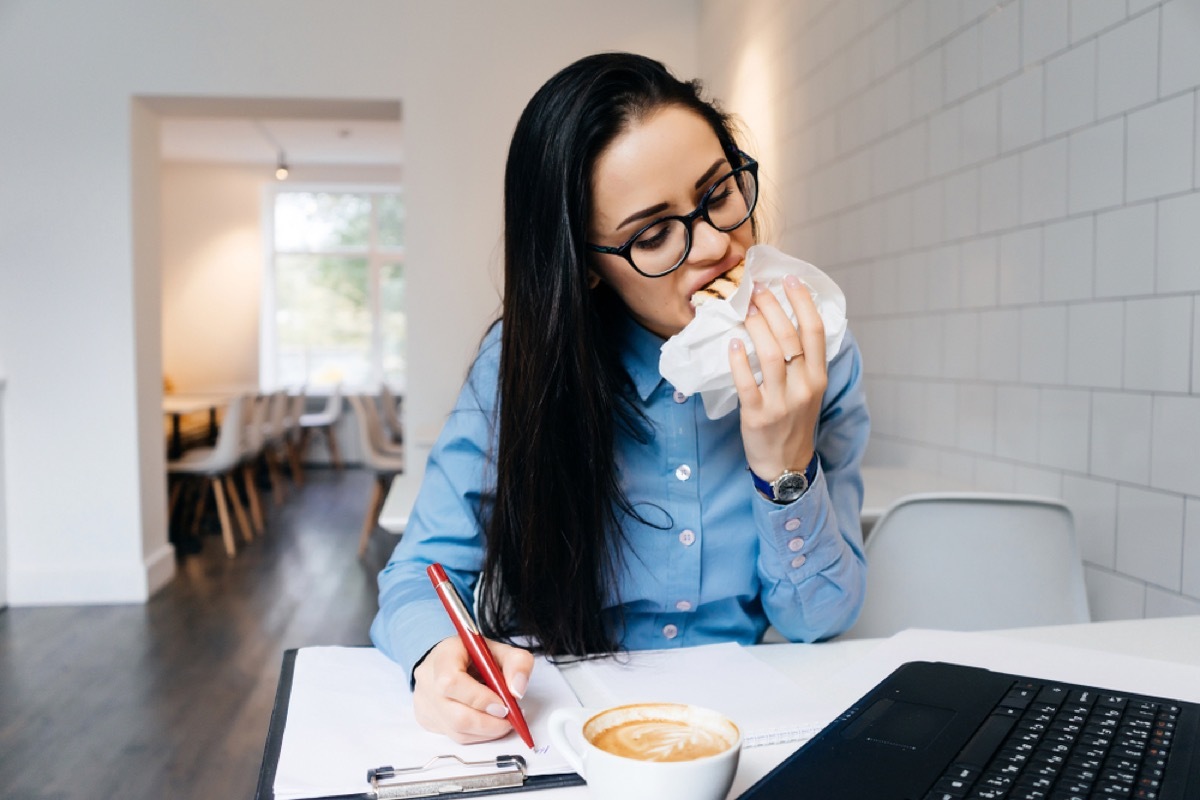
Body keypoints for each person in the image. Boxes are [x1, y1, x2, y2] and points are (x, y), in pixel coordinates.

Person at [370, 52, 870, 744]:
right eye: (653, 234)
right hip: (567, 723)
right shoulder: (520, 370)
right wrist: (434, 662)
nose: (717, 244)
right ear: (590, 267)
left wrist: (784, 466)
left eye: (720, 191)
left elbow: (821, 620)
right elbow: (419, 577)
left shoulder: (818, 354)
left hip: (746, 720)